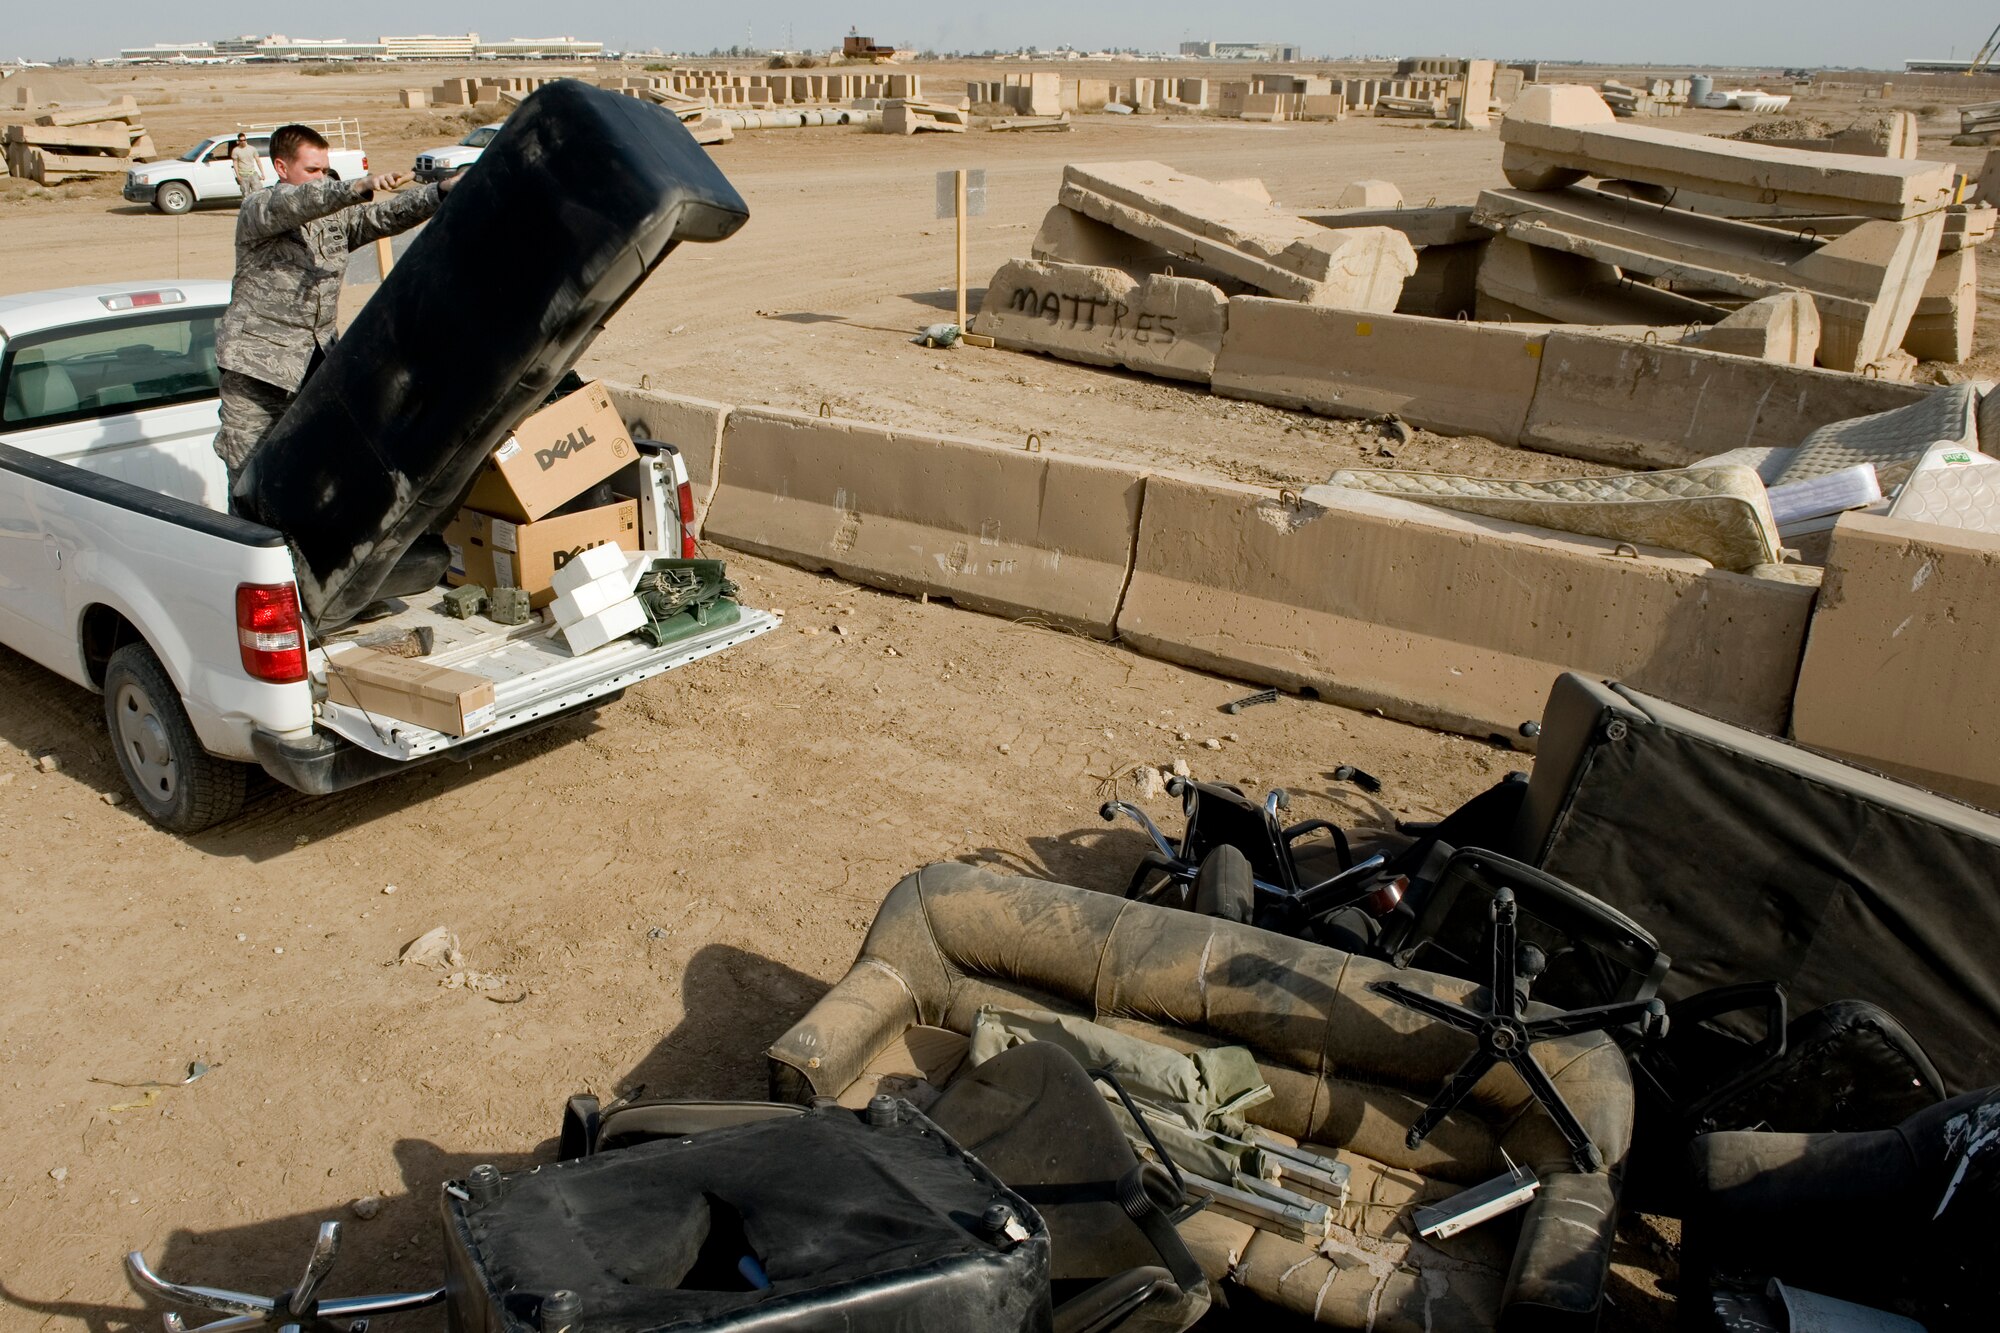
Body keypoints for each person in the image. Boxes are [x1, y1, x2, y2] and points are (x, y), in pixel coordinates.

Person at [213, 123, 462, 501]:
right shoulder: (260, 209)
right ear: (281, 168)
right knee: (251, 481)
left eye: (325, 170)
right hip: (258, 373)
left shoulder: (334, 219)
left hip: (314, 369)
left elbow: (384, 217)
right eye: (311, 170)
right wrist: (355, 187)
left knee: (315, 476)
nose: (321, 178)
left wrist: (438, 193)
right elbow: (298, 203)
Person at [228, 132, 260, 198]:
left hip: (252, 174)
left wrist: (262, 173)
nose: (243, 142)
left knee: (257, 193)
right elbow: (235, 163)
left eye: (244, 140)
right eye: (241, 140)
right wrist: (238, 175)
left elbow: (258, 161)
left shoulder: (252, 149)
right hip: (243, 175)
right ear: (238, 141)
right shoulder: (235, 150)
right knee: (246, 195)